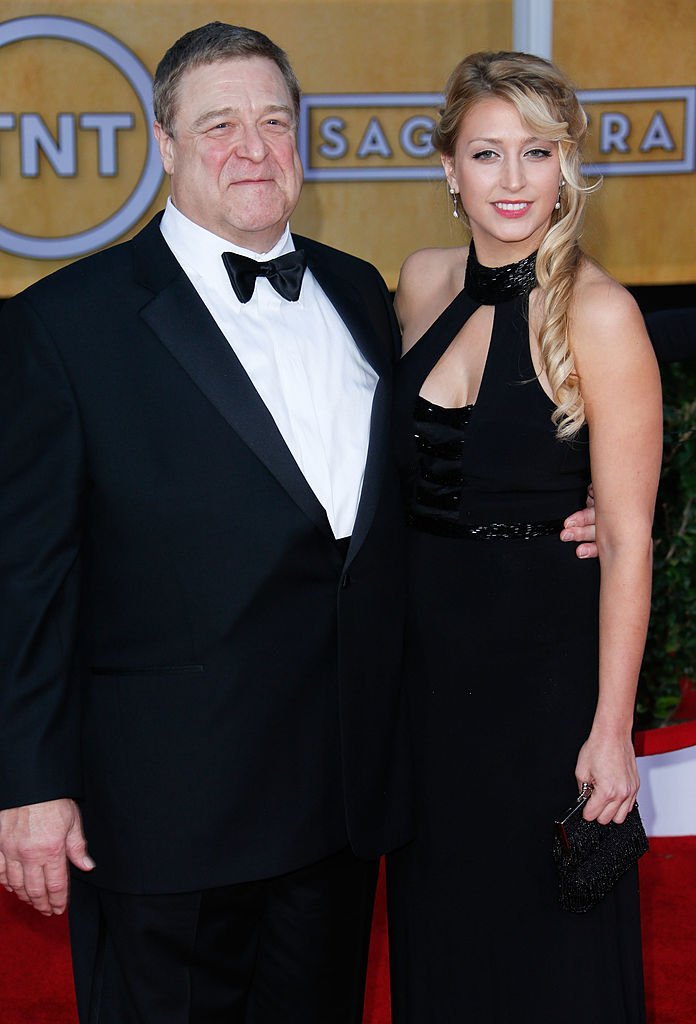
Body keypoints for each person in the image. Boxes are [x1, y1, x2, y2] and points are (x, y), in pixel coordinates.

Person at [0, 24, 597, 1022]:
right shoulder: (64, 324)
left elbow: (429, 477)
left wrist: (559, 514)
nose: (252, 146)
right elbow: (26, 576)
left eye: (274, 121)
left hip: (338, 803)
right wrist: (27, 784)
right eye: (220, 124)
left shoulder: (362, 290)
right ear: (166, 144)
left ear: (301, 141)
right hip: (163, 813)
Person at [387, 51, 662, 1023]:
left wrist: (611, 727)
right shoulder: (418, 283)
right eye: (487, 153)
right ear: (448, 170)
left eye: (535, 153)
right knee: (444, 942)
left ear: (565, 167)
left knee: (553, 961)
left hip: (544, 686)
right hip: (425, 688)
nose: (513, 181)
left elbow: (628, 541)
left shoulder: (601, 314)